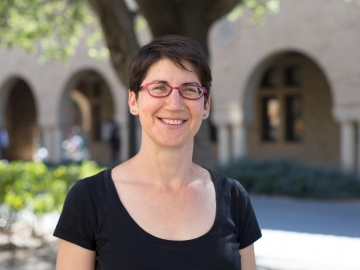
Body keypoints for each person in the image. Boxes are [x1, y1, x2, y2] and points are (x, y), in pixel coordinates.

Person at [54, 35, 262, 270]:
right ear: (133, 101)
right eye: (159, 88)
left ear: (206, 106)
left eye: (190, 89)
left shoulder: (233, 199)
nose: (174, 104)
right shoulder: (89, 199)